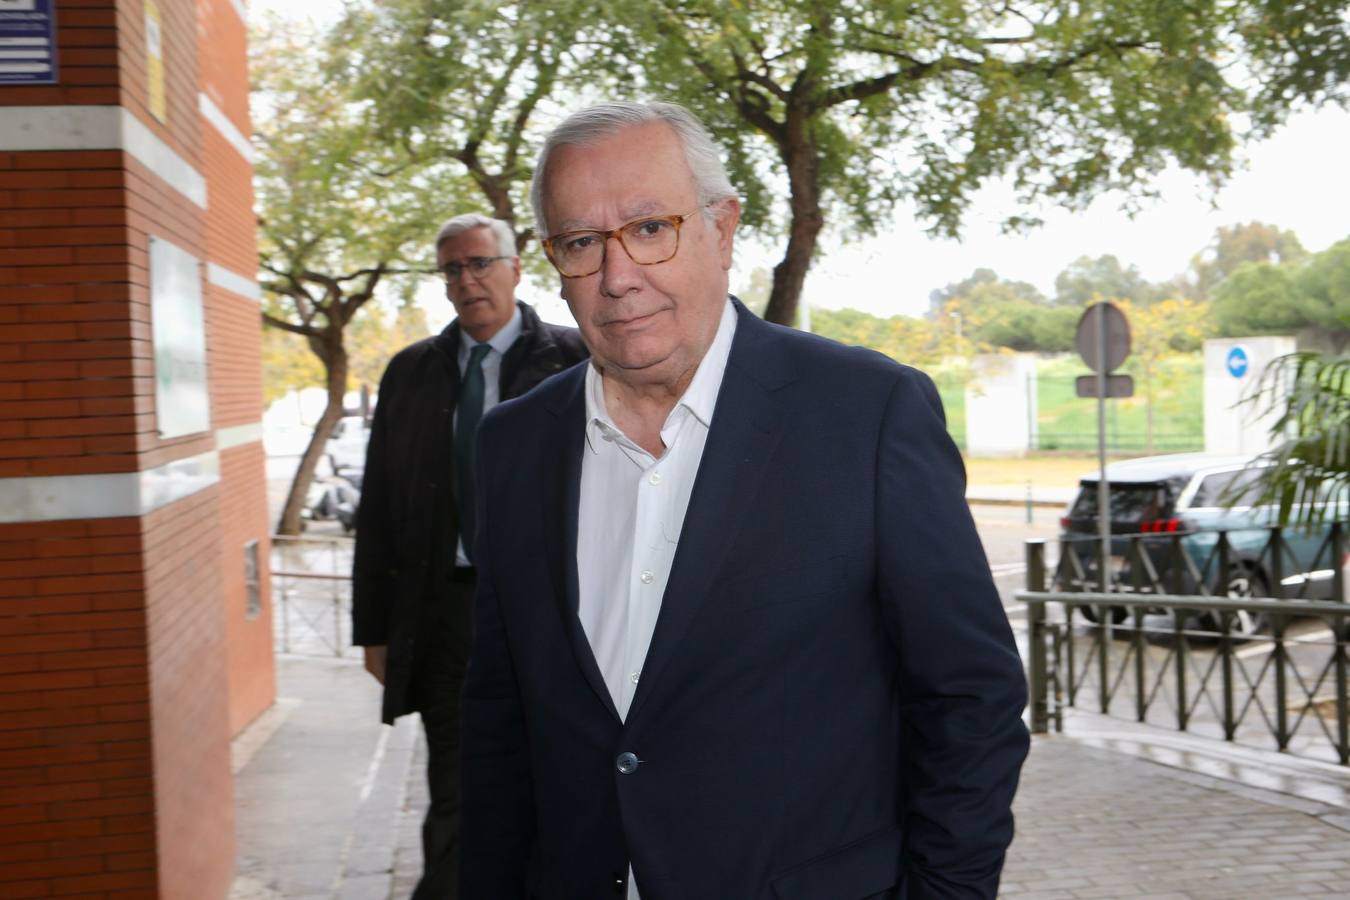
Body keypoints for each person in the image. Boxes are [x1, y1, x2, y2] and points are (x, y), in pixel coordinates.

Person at [460, 102, 1029, 900]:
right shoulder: (513, 444)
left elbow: (972, 699)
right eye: (582, 242)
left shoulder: (868, 415)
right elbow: (499, 719)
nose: (619, 276)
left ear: (723, 229)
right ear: (554, 260)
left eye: (651, 227)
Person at [351, 213, 587, 900]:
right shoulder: (411, 373)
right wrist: (375, 629)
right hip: (450, 614)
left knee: (561, 778)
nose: (467, 280)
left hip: (554, 610)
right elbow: (381, 508)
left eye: (481, 262)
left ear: (516, 267)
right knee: (457, 788)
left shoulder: (576, 360)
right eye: (452, 268)